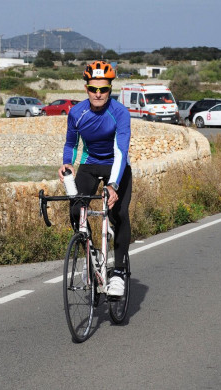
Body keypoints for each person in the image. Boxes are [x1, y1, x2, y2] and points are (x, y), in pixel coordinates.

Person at [58, 60, 132, 297]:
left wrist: (113, 185)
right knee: (75, 210)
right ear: (86, 88)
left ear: (111, 89)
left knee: (119, 213)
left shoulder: (120, 113)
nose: (98, 94)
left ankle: (118, 272)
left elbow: (121, 151)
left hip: (116, 167)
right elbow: (71, 143)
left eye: (104, 89)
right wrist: (67, 163)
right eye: (93, 89)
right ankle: (91, 258)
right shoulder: (77, 113)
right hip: (89, 166)